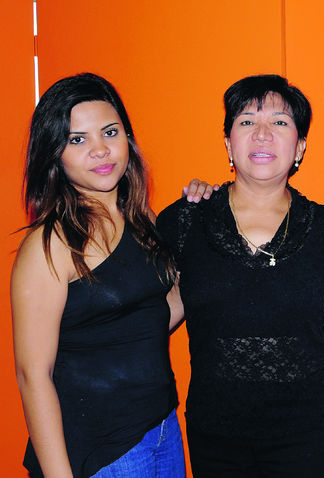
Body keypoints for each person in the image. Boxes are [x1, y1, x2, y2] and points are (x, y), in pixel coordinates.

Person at [156, 74, 324, 478]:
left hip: (315, 434)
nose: (262, 134)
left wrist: (295, 384)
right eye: (247, 121)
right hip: (217, 438)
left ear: (300, 147)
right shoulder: (184, 220)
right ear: (228, 144)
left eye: (280, 122)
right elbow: (152, 313)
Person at [11, 73, 185, 478]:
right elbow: (33, 375)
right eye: (77, 139)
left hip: (162, 430)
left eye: (110, 132)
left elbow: (150, 319)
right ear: (55, 154)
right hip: (100, 453)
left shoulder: (142, 220)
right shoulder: (50, 244)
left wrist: (204, 227)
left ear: (128, 138)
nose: (101, 150)